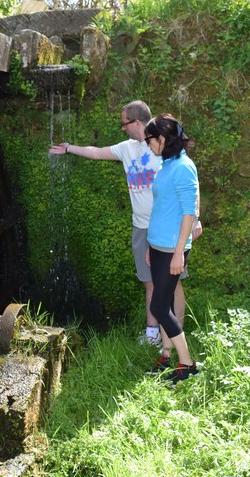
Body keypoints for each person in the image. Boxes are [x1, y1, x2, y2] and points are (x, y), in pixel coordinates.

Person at [48, 100, 200, 347]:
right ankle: (153, 333)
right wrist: (69, 148)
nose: (122, 128)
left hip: (170, 227)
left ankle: (175, 333)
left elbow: (189, 186)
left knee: (174, 283)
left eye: (124, 123)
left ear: (137, 122)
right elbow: (97, 152)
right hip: (142, 228)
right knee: (149, 282)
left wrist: (196, 218)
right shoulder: (126, 148)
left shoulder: (163, 146)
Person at [143, 113, 200, 383]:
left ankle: (187, 364)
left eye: (149, 140)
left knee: (159, 304)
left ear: (163, 138)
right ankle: (166, 356)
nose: (147, 145)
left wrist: (179, 251)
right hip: (158, 246)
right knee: (161, 304)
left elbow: (190, 212)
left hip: (171, 250)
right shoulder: (167, 165)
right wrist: (150, 245)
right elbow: (163, 208)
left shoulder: (184, 167)